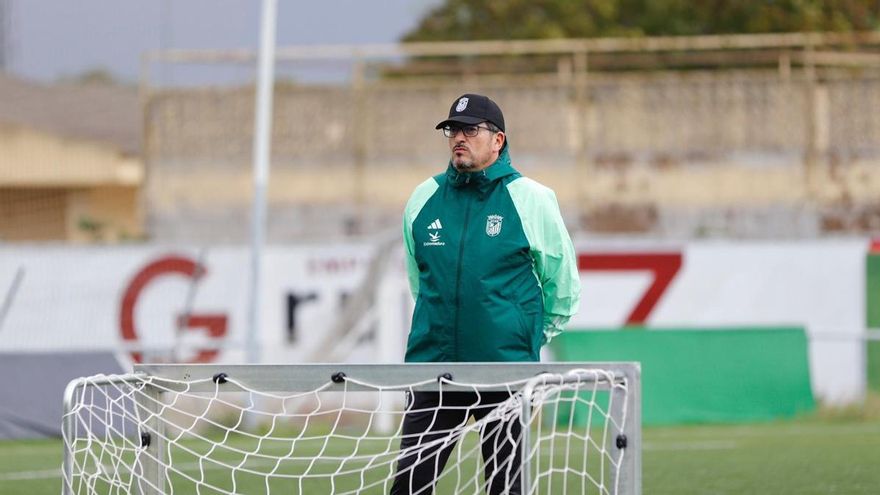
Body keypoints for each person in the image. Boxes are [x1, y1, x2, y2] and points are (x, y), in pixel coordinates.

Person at [391, 93, 581, 495]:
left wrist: (522, 335)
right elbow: (420, 282)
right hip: (434, 368)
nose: (458, 137)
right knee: (409, 485)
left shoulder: (531, 198)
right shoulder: (423, 198)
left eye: (470, 129)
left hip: (505, 371)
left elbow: (562, 286)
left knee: (505, 487)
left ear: (498, 140)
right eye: (452, 130)